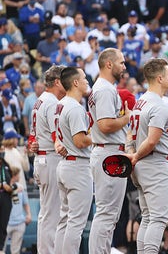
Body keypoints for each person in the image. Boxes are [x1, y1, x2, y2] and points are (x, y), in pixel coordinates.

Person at [127, 58, 168, 253]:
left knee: (148, 217)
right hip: (154, 163)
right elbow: (152, 140)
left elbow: (129, 137)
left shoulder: (139, 102)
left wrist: (132, 155)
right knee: (158, 218)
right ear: (159, 78)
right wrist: (136, 156)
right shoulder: (159, 105)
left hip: (141, 164)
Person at [87, 48, 131, 254]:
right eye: (121, 62)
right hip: (109, 152)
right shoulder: (104, 89)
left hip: (109, 151)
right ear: (109, 64)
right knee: (106, 213)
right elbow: (105, 125)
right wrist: (126, 118)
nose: (124, 66)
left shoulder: (103, 88)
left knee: (109, 215)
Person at [54, 67, 93, 254]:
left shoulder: (60, 104)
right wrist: (99, 136)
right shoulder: (75, 107)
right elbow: (80, 141)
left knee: (65, 220)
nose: (87, 81)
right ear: (75, 82)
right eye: (84, 78)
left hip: (65, 164)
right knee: (76, 223)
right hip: (77, 165)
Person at [27, 65, 66, 254]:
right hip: (50, 159)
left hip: (42, 158)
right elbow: (56, 136)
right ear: (57, 82)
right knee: (52, 214)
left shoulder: (40, 101)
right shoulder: (51, 102)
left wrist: (33, 145)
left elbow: (32, 137)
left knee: (46, 213)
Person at [5, 166, 31, 254]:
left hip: (19, 222)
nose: (19, 177)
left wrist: (28, 214)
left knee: (15, 251)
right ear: (14, 175)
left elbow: (26, 203)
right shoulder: (3, 187)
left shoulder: (21, 187)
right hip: (5, 224)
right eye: (18, 174)